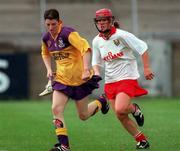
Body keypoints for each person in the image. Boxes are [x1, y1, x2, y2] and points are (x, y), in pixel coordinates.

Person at [41, 8, 109, 151]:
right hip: (62, 80)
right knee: (56, 109)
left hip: (79, 80)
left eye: (53, 24)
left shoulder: (68, 34)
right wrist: (48, 69)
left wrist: (85, 69)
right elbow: (45, 53)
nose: (51, 28)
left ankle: (102, 102)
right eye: (48, 25)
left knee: (83, 116)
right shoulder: (46, 38)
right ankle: (64, 146)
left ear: (59, 22)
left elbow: (86, 49)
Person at [92, 8, 154, 149]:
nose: (101, 23)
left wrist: (146, 68)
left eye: (104, 20)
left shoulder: (122, 35)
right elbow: (96, 62)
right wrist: (96, 73)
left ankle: (134, 109)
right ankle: (142, 140)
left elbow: (143, 47)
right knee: (120, 116)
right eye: (99, 21)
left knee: (120, 109)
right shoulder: (96, 41)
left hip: (127, 78)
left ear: (110, 21)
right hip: (110, 81)